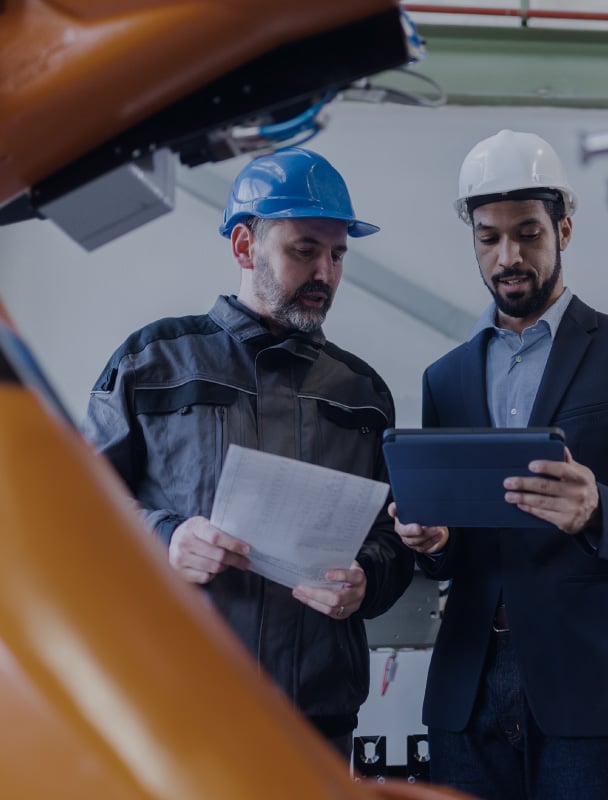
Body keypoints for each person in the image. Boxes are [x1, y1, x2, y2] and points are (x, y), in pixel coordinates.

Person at [389, 130, 608, 800]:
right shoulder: (445, 378)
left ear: (563, 227)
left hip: (594, 697)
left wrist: (600, 509)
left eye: (528, 233)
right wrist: (434, 543)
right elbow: (450, 552)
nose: (509, 256)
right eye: (489, 237)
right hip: (468, 698)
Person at [80, 147, 415, 760]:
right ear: (243, 246)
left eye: (338, 254)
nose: (326, 273)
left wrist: (366, 582)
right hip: (180, 709)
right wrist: (164, 538)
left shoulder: (362, 394)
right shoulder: (151, 363)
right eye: (303, 250)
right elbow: (72, 511)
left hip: (318, 718)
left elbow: (394, 539)